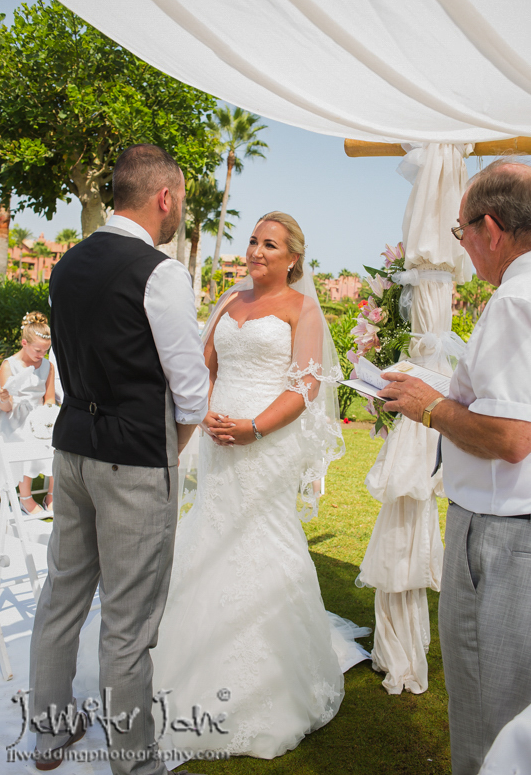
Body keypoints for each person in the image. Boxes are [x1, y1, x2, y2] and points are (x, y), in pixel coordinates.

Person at [147, 211, 371, 759]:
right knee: (209, 532)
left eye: (269, 244)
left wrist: (253, 428)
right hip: (218, 441)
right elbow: (203, 369)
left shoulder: (303, 309)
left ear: (293, 256)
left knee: (264, 537)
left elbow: (306, 388)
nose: (256, 251)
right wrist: (205, 419)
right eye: (252, 241)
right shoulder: (229, 301)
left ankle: (272, 677)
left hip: (267, 444)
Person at [29, 144, 209, 774]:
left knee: (62, 595)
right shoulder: (161, 272)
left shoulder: (66, 265)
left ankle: (48, 736)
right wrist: (165, 454)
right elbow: (191, 393)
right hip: (132, 460)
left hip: (71, 448)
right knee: (129, 623)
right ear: (165, 198)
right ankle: (135, 763)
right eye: (181, 199)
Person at [377, 159, 531, 775]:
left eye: (460, 231)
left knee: (492, 714)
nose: (461, 245)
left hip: (502, 534)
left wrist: (429, 405)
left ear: (490, 229)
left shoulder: (514, 302)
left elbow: (513, 436)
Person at [0, 311, 55, 517]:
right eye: (38, 350)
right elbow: (7, 408)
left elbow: (49, 399)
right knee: (25, 440)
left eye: (45, 351)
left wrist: (46, 417)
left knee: (58, 441)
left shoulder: (48, 366)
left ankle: (51, 495)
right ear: (24, 343)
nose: (42, 355)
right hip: (15, 419)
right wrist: (4, 397)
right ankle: (25, 498)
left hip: (39, 417)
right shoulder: (9, 365)